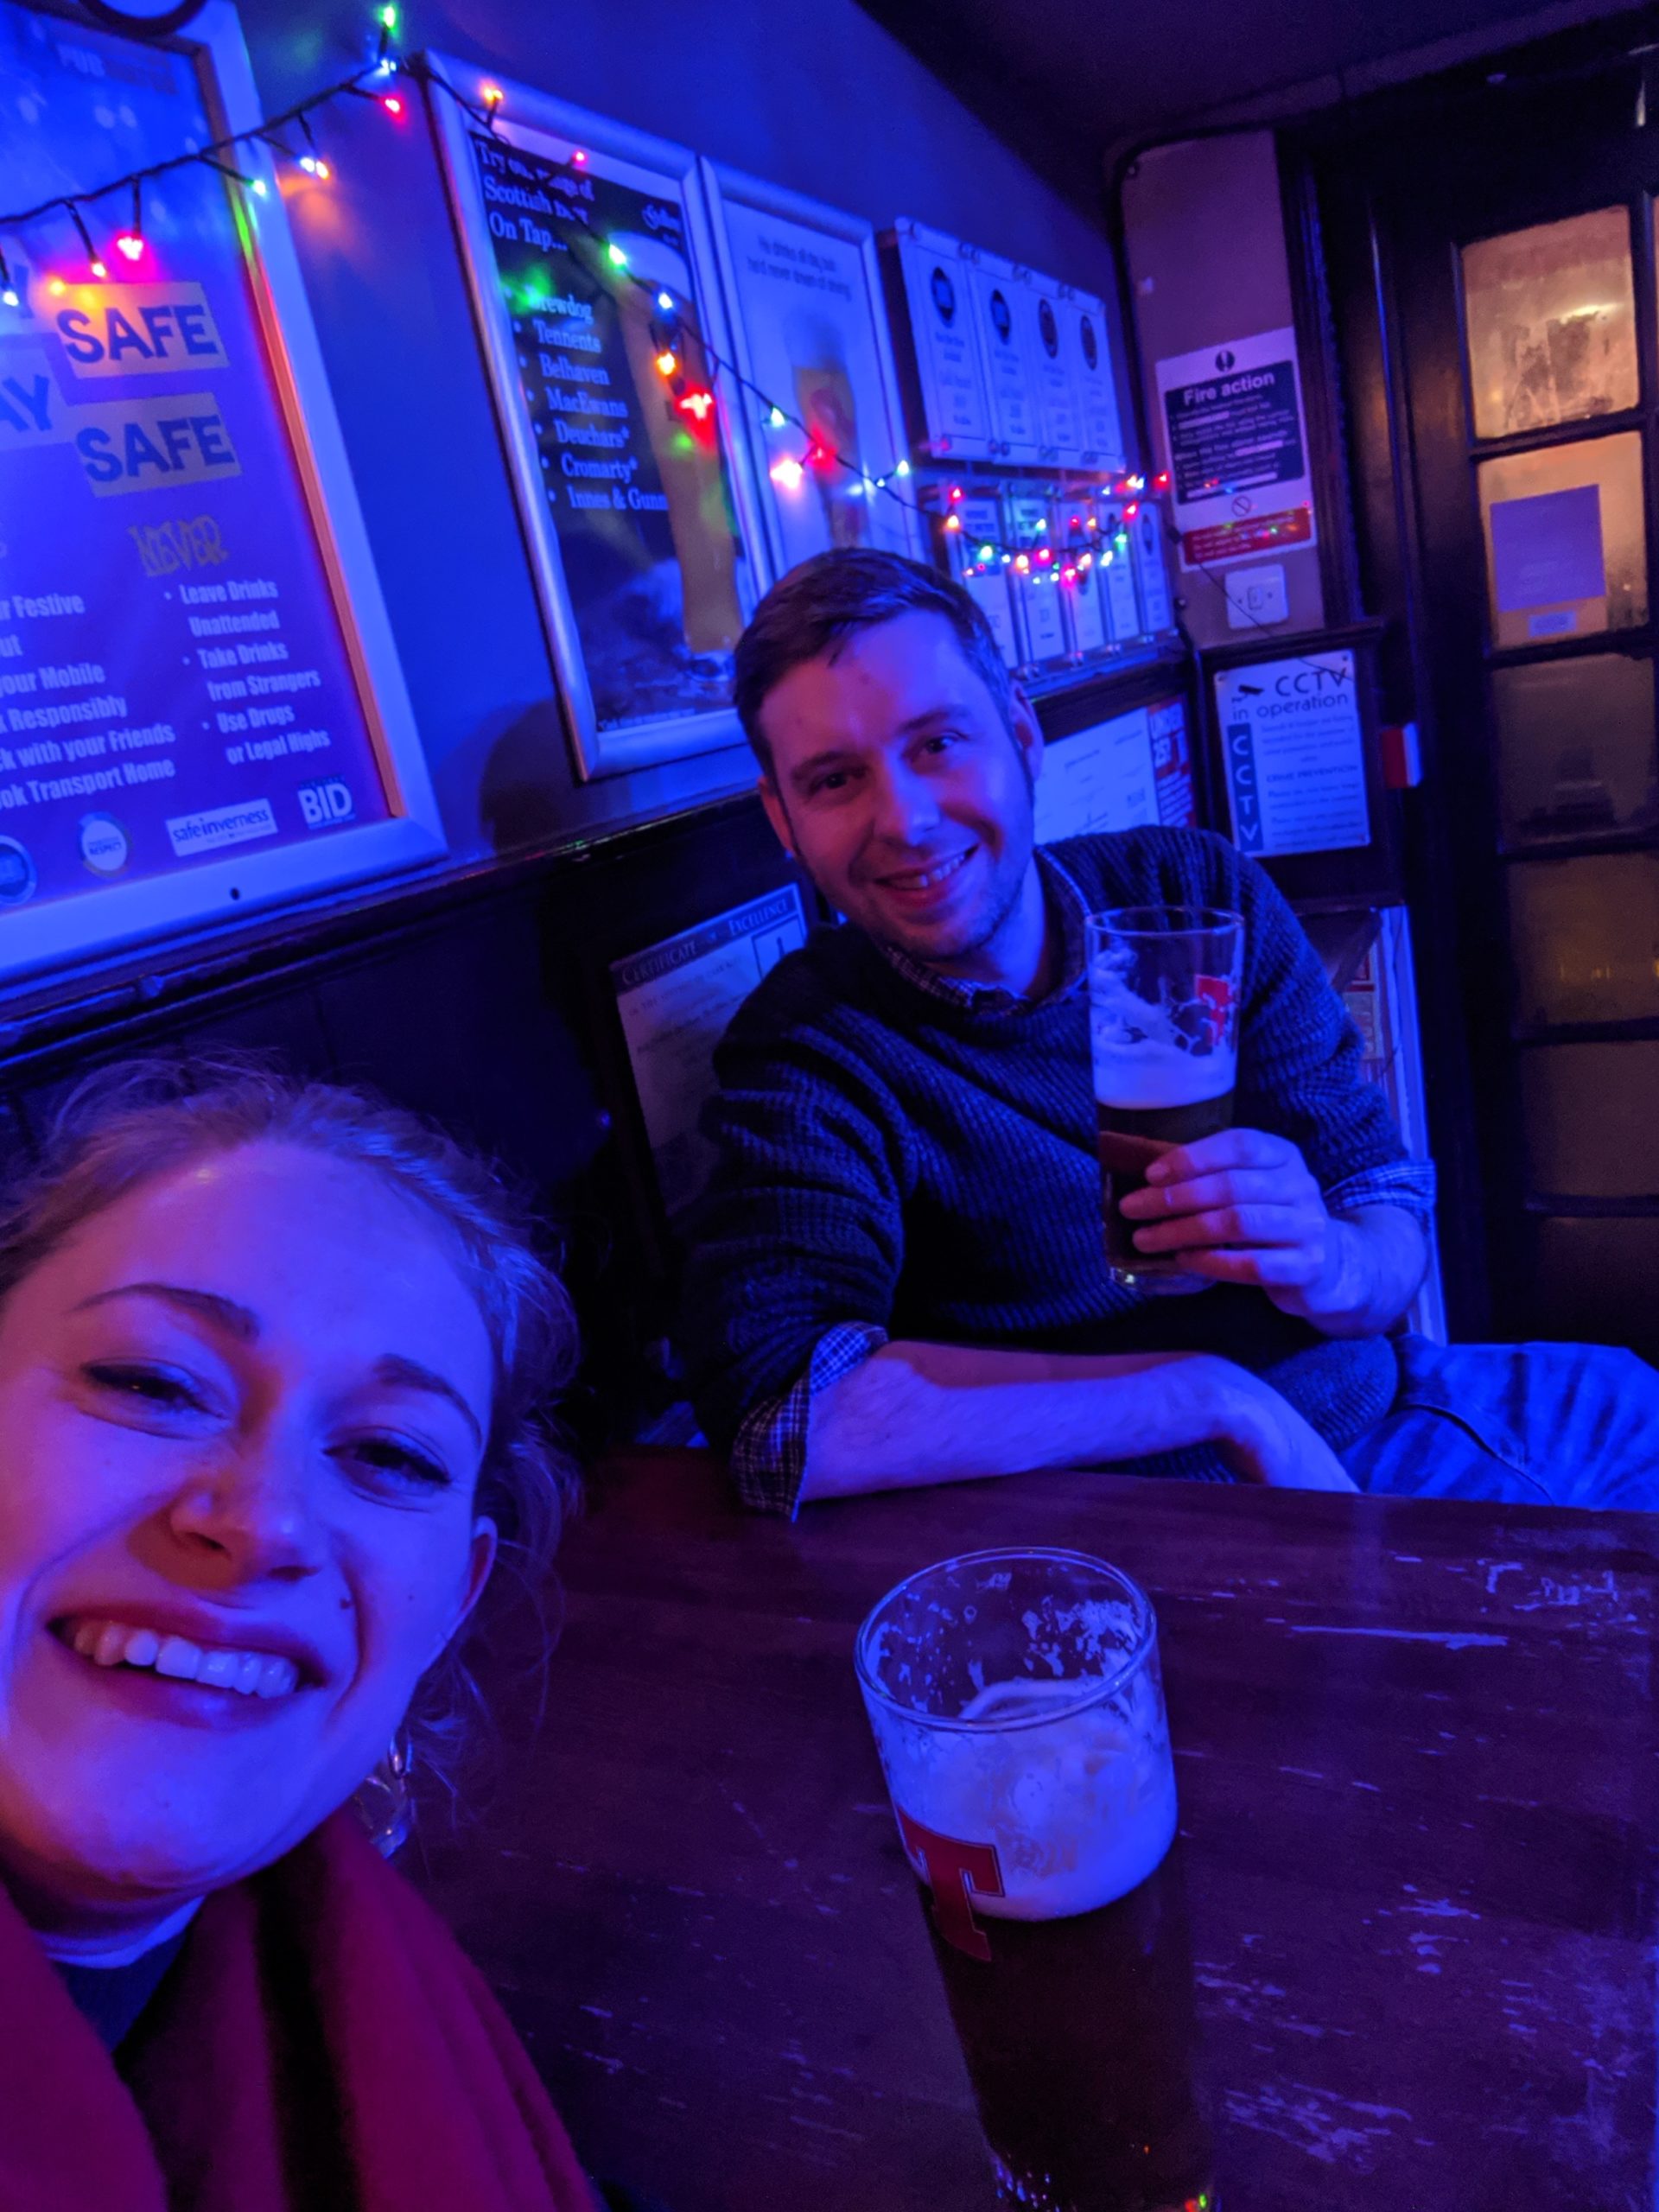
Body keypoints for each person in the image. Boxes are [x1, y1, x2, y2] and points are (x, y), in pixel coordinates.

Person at [678, 550, 1659, 1515]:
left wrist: (1328, 1260)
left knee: (1633, 1398)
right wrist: (1212, 1398)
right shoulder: (810, 1051)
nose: (906, 819)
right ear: (784, 820)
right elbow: (782, 1416)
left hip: (1382, 1420)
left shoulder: (1191, 892)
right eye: (835, 780)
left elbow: (1385, 1207)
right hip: (1144, 1523)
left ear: (1020, 734)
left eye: (938, 743)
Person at [0, 1058, 601, 2212]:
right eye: (154, 1384)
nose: (265, 1522)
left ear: (453, 1598)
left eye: (390, 1455)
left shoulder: (394, 2014)